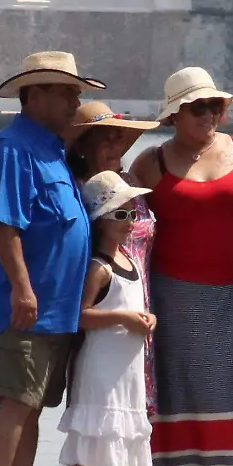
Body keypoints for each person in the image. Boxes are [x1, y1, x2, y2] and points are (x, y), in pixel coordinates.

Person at [0, 51, 105, 466]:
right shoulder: (12, 149)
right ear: (36, 95)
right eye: (67, 92)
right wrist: (23, 290)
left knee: (30, 409)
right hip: (23, 305)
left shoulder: (52, 150)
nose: (75, 101)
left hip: (56, 308)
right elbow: (5, 225)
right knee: (14, 404)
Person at [127, 67, 233, 466]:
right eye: (197, 107)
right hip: (173, 297)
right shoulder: (151, 164)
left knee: (228, 398)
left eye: (215, 106)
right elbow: (118, 222)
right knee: (180, 400)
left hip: (231, 293)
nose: (209, 115)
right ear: (174, 115)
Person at [57, 172, 158, 466]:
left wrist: (146, 319)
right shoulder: (99, 268)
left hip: (125, 369)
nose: (129, 222)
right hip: (100, 366)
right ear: (100, 221)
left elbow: (134, 303)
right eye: (120, 215)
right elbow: (80, 316)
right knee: (94, 435)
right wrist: (121, 318)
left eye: (132, 213)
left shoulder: (129, 261)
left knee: (114, 436)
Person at [63, 101, 160, 415]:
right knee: (99, 414)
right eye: (106, 139)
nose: (115, 145)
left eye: (119, 138)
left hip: (139, 305)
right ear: (83, 147)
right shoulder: (73, 191)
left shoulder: (132, 184)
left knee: (137, 413)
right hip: (102, 311)